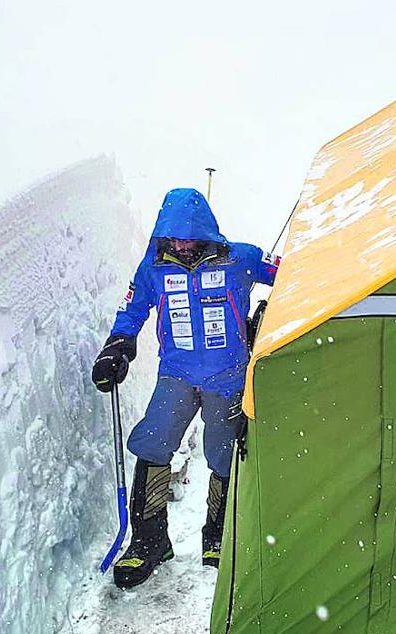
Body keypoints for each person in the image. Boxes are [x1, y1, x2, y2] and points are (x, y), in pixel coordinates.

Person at [92, 188, 280, 589]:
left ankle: (220, 536)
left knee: (224, 453)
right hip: (176, 375)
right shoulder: (154, 267)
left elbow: (290, 275)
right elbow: (133, 308)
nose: (179, 244)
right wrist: (118, 345)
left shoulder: (241, 258)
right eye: (171, 236)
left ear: (204, 231)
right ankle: (149, 540)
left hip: (227, 378)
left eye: (187, 236)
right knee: (153, 442)